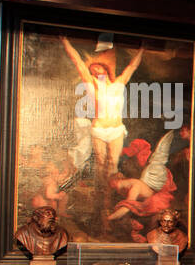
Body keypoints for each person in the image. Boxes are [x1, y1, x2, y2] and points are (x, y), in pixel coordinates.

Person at [60, 34, 145, 172]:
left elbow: (132, 66)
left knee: (113, 163)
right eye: (92, 71)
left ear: (105, 70)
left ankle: (108, 194)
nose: (94, 72)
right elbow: (77, 62)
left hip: (116, 129)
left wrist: (142, 49)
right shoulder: (92, 87)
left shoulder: (118, 83)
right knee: (100, 163)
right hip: (99, 129)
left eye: (97, 68)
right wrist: (65, 42)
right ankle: (100, 191)